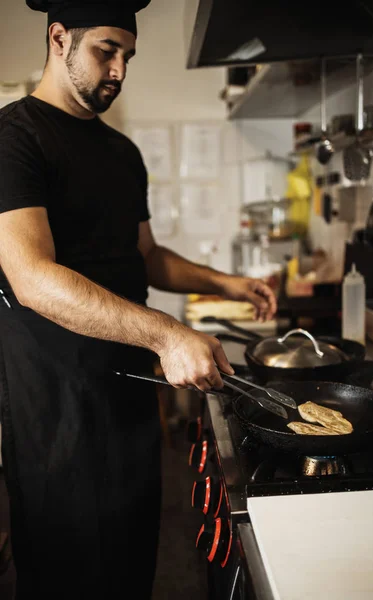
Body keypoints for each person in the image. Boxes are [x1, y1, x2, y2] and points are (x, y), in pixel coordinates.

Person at [0, 1, 277, 597]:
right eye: (106, 51)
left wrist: (224, 283)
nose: (120, 69)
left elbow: (145, 255)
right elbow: (30, 275)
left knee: (130, 568)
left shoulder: (121, 152)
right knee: (69, 577)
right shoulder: (14, 137)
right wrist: (166, 333)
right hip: (57, 417)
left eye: (128, 56)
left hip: (129, 404)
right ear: (58, 39)